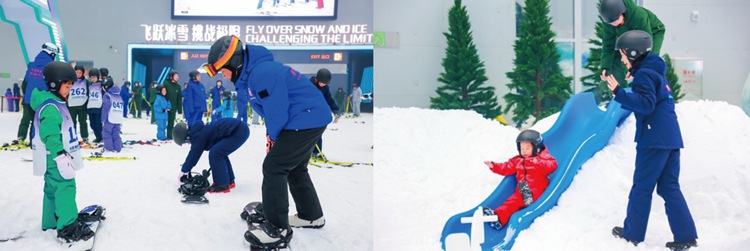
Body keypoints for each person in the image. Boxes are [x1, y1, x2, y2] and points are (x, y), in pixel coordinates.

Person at [203, 35, 331, 247]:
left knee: (274, 167)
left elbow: (277, 111)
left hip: (306, 117)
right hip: (306, 117)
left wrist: (273, 137)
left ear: (234, 63)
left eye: (223, 70)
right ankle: (311, 215)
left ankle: (277, 228)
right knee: (295, 168)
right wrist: (272, 135)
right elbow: (270, 109)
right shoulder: (252, 75)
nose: (223, 76)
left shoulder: (262, 73)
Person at [605, 30, 698, 250]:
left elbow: (645, 103)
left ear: (634, 52)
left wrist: (618, 91)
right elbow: (651, 99)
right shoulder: (655, 73)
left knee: (642, 187)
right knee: (669, 187)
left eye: (624, 54)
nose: (622, 58)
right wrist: (635, 78)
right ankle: (686, 236)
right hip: (670, 138)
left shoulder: (645, 75)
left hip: (654, 138)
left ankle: (632, 234)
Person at [29, 61, 94, 243]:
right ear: (54, 84)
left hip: (52, 157)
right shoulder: (51, 108)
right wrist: (60, 155)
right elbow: (49, 134)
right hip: (55, 157)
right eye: (67, 86)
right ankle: (67, 226)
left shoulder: (56, 103)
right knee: (65, 187)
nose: (69, 90)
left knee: (51, 189)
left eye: (71, 86)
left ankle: (50, 221)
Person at [482, 130, 558, 230]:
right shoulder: (518, 161)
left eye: (527, 148)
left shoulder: (542, 159)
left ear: (536, 148)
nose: (524, 151)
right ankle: (498, 219)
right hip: (522, 192)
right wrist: (494, 166)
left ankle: (528, 198)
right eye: (522, 148)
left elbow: (552, 165)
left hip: (537, 191)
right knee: (511, 202)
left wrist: (538, 163)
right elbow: (507, 167)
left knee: (519, 196)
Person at [174, 118, 249, 193]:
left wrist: (184, 170)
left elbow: (194, 154)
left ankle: (221, 185)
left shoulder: (198, 136)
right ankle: (229, 180)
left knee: (216, 153)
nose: (188, 143)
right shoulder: (198, 130)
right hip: (239, 129)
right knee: (219, 152)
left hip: (237, 130)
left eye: (186, 141)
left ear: (187, 136)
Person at [599, 0, 665, 83]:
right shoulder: (609, 22)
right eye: (611, 23)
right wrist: (605, 67)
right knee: (619, 57)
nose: (614, 24)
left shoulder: (639, 16)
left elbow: (645, 45)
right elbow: (608, 44)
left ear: (622, 12)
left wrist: (634, 69)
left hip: (653, 32)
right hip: (630, 36)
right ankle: (619, 92)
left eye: (616, 20)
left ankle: (651, 84)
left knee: (650, 59)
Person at [17, 43, 59, 142]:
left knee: (30, 121)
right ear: (52, 54)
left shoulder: (32, 65)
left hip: (28, 99)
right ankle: (38, 142)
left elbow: (25, 83)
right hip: (42, 99)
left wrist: (27, 95)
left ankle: (27, 140)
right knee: (41, 122)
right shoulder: (51, 67)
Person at [309, 68, 341, 159]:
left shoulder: (325, 87)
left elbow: (329, 99)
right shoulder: (308, 85)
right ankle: (304, 153)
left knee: (318, 133)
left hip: (318, 114)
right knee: (307, 134)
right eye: (323, 82)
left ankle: (316, 153)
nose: (324, 85)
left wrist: (335, 110)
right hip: (307, 113)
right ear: (317, 79)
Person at [68, 64, 90, 142]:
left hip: (82, 105)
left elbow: (89, 92)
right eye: (76, 72)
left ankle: (85, 137)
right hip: (71, 105)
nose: (78, 74)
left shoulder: (86, 82)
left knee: (83, 122)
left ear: (83, 73)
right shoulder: (69, 81)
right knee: (72, 122)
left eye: (80, 73)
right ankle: (73, 136)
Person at [101, 80, 124, 153]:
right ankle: (118, 148)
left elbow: (106, 106)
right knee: (116, 133)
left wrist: (103, 118)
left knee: (107, 133)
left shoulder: (107, 95)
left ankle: (109, 149)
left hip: (110, 117)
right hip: (118, 118)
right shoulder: (119, 96)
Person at [163, 71, 183, 140]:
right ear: (171, 76)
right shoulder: (166, 84)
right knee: (163, 123)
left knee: (171, 123)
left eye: (178, 75)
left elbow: (179, 99)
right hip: (165, 108)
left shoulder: (178, 87)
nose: (177, 77)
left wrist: (180, 111)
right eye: (175, 75)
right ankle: (161, 136)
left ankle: (169, 136)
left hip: (173, 108)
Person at [86, 68, 104, 143]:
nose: (92, 79)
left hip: (98, 107)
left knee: (98, 124)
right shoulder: (90, 85)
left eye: (94, 77)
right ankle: (98, 137)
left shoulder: (101, 85)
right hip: (90, 107)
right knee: (92, 124)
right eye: (91, 77)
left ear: (98, 77)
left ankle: (101, 137)